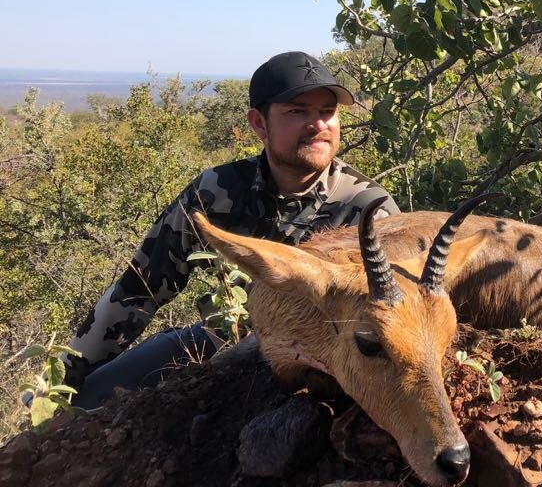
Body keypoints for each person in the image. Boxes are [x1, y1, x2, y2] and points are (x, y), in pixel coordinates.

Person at [62, 51, 400, 408]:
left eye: (326, 112)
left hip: (329, 363)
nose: (318, 125)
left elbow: (394, 325)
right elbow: (135, 291)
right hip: (223, 339)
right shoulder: (214, 192)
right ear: (259, 123)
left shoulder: (369, 210)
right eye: (297, 112)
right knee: (90, 397)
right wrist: (65, 380)